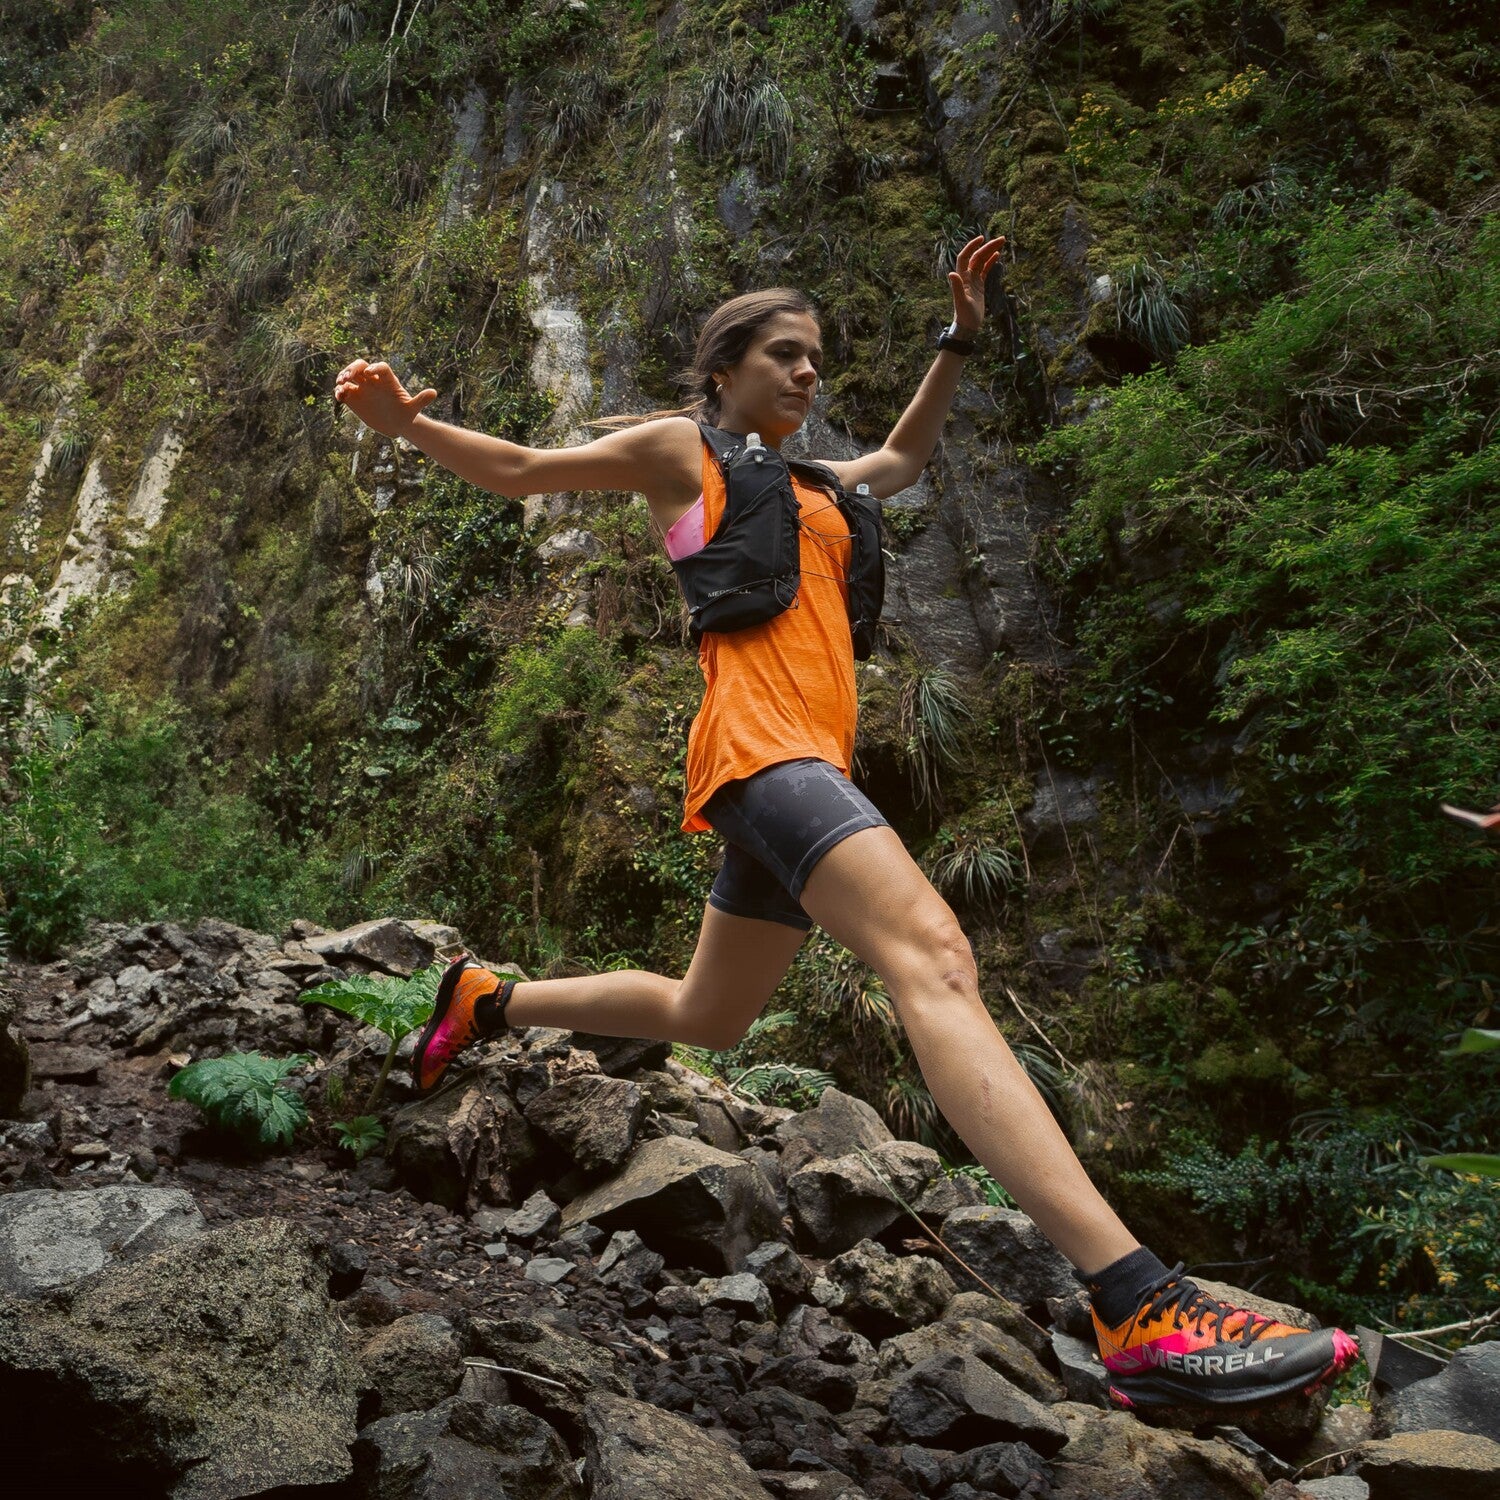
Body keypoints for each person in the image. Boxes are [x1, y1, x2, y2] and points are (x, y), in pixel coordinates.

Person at [332, 237, 1358, 1413]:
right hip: (758, 752)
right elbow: (522, 470)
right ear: (724, 371)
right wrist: (407, 426)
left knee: (708, 1014)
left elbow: (905, 459)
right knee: (936, 958)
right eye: (784, 354)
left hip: (801, 768)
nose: (808, 372)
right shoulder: (682, 454)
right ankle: (1138, 1305)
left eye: (816, 357)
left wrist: (957, 341)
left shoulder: (821, 485)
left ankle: (483, 999)